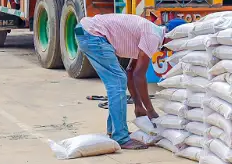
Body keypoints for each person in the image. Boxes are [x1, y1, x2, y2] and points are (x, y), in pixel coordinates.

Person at [74, 14, 183, 149]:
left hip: (86, 31)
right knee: (118, 82)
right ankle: (120, 137)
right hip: (93, 34)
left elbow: (131, 72)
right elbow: (139, 75)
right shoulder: (153, 37)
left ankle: (114, 130)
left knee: (119, 80)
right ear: (172, 36)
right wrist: (150, 110)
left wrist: (138, 105)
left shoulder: (151, 34)